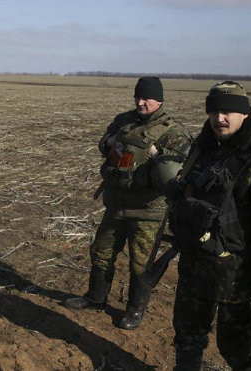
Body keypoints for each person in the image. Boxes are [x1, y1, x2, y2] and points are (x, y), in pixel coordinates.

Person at [64, 76, 192, 330]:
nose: (141, 102)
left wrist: (158, 157)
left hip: (148, 210)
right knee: (101, 252)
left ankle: (135, 310)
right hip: (116, 203)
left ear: (160, 100)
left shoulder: (173, 132)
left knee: (141, 263)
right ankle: (95, 298)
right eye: (138, 97)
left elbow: (181, 170)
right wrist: (108, 143)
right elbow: (104, 143)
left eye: (147, 98)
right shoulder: (123, 120)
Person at [166, 81, 251, 370]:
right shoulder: (202, 148)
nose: (219, 118)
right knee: (187, 334)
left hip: (237, 277)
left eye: (228, 111)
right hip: (194, 267)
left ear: (245, 114)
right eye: (214, 111)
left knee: (238, 347)